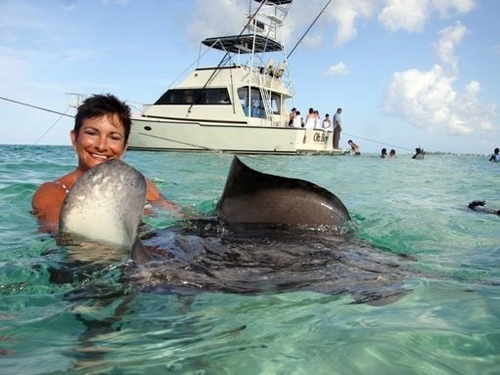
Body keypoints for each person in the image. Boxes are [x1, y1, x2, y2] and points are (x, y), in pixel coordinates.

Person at [32, 93, 181, 233]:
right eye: (91, 133)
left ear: (124, 148)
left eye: (114, 137)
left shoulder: (144, 186)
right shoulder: (52, 191)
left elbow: (181, 217)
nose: (102, 146)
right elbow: (59, 233)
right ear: (74, 138)